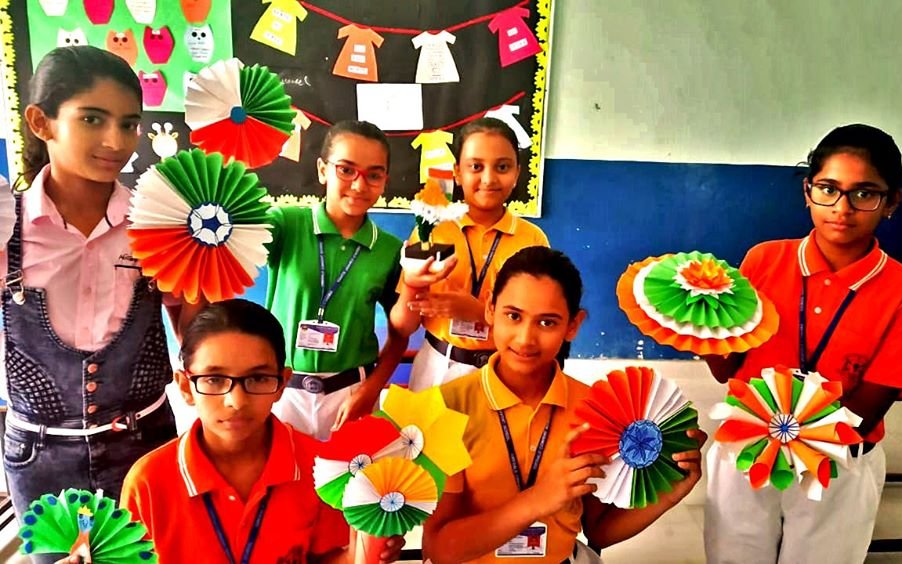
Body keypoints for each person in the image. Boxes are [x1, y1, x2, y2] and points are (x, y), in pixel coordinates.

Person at [703, 124, 902, 564]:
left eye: (864, 193)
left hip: (838, 460)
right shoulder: (763, 260)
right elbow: (727, 371)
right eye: (828, 189)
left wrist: (788, 434)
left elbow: (866, 411)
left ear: (892, 202)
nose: (842, 208)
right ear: (807, 191)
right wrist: (701, 334)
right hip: (745, 453)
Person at [0, 46, 197, 527]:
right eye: (92, 119)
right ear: (41, 122)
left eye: (129, 124)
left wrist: (205, 274)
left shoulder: (157, 225)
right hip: (39, 458)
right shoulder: (7, 224)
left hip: (145, 447)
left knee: (151, 556)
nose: (115, 141)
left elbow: (192, 328)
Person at [423, 246, 706, 562]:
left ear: (573, 324)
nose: (525, 338)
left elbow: (599, 529)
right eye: (513, 316)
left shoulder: (595, 408)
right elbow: (438, 548)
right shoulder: (446, 408)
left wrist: (667, 496)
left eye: (547, 323)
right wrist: (538, 499)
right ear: (490, 308)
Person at [120, 299, 405, 563]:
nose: (236, 401)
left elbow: (324, 558)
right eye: (214, 379)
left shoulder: (320, 470)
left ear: (282, 383)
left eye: (257, 378)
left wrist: (360, 553)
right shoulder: (148, 482)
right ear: (185, 386)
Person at [263, 120, 425, 439]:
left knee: (348, 473)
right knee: (282, 470)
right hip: (280, 393)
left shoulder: (391, 250)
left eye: (373, 175)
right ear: (323, 170)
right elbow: (228, 250)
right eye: (346, 170)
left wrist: (370, 390)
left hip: (350, 393)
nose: (359, 185)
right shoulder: (284, 224)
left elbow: (400, 336)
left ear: (385, 181)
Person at [398, 118, 550, 391]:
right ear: (457, 173)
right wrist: (412, 284)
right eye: (476, 167)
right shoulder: (431, 231)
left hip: (504, 370)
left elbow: (538, 323)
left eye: (502, 167)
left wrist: (479, 313)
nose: (489, 179)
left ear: (517, 173)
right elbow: (405, 324)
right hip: (436, 367)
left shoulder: (533, 240)